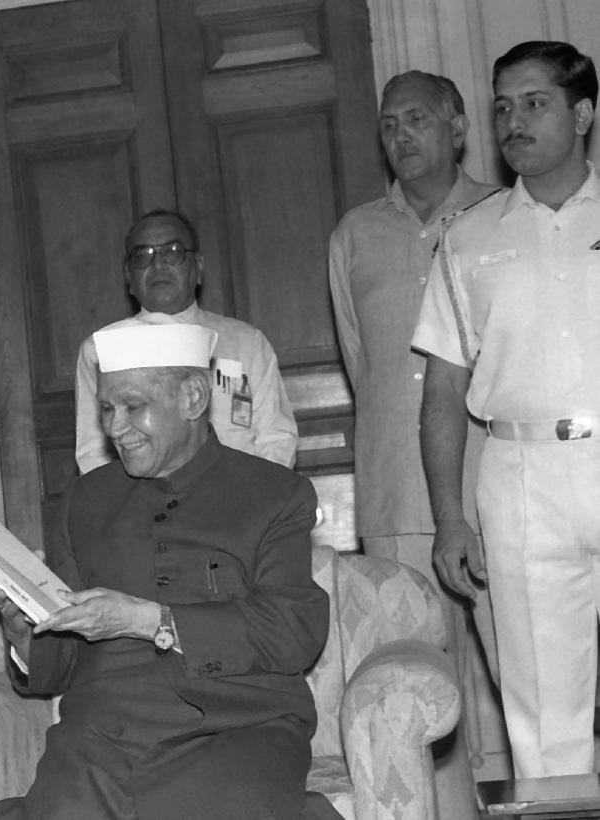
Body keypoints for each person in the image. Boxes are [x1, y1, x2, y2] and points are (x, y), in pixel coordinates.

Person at [0, 322, 336, 820]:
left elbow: (294, 630)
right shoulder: (86, 500)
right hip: (102, 738)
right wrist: (22, 627)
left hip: (238, 727)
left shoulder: (273, 493)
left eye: (132, 406)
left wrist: (148, 619)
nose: (114, 428)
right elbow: (58, 663)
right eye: (107, 408)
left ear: (193, 398)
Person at [413, 40, 599, 780]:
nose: (513, 121)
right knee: (542, 709)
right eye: (501, 106)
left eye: (534, 103)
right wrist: (449, 519)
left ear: (581, 114)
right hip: (521, 478)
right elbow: (441, 395)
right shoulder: (467, 238)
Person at [327, 70, 501, 816]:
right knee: (414, 684)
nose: (401, 135)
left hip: (493, 485)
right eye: (389, 123)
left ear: (458, 128)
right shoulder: (354, 235)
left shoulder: (501, 218)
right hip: (396, 489)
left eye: (418, 119)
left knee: (522, 675)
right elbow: (361, 363)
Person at [75, 209, 297, 473]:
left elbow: (276, 438)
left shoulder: (246, 342)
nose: (158, 264)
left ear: (198, 267)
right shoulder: (101, 349)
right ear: (129, 277)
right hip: (140, 495)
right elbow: (93, 455)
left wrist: (251, 496)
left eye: (173, 252)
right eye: (143, 256)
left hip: (240, 491)